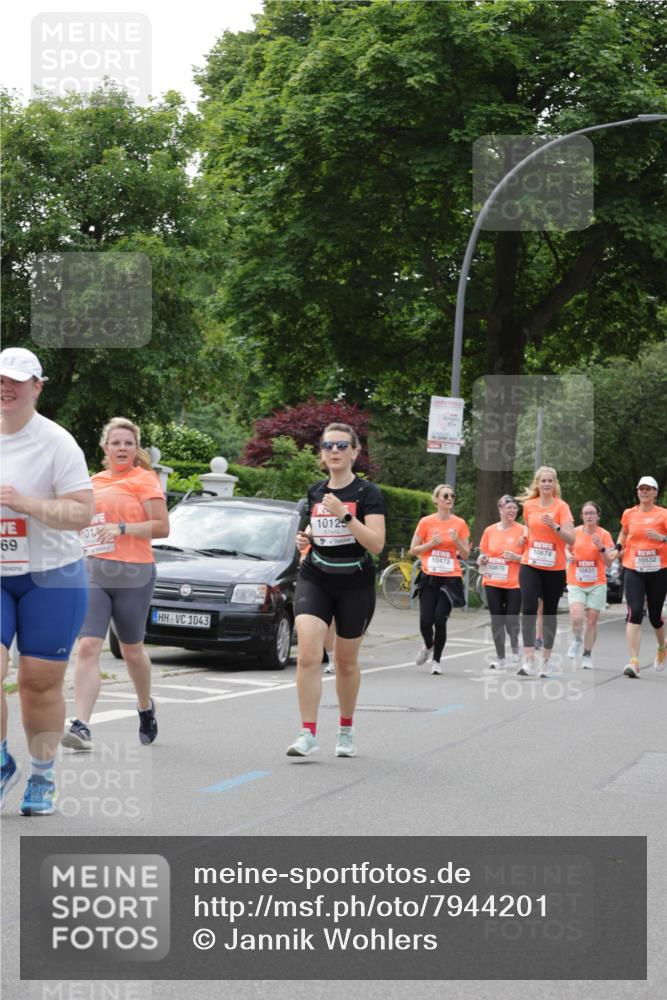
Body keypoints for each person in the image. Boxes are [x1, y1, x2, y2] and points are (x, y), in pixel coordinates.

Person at [0, 348, 94, 816]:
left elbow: (81, 513)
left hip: (51, 577)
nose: (6, 388)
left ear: (37, 386)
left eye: (17, 380)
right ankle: (0, 762)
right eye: (0, 379)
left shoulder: (57, 443)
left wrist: (27, 504)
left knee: (38, 683)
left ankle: (42, 776)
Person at [62, 417, 169, 750]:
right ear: (105, 447)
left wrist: (123, 529)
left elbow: (162, 527)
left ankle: (144, 706)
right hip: (94, 571)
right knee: (89, 646)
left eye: (129, 443)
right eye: (116, 443)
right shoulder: (92, 482)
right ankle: (81, 725)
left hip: (135, 574)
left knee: (131, 651)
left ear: (135, 449)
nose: (122, 448)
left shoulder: (144, 479)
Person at [287, 423, 385, 758]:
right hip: (316, 576)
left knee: (345, 662)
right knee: (309, 654)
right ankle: (307, 732)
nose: (335, 451)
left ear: (355, 452)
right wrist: (306, 538)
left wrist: (345, 516)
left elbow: (375, 543)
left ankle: (345, 730)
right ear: (322, 453)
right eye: (328, 445)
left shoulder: (367, 494)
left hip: (354, 581)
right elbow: (315, 527)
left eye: (342, 446)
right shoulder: (315, 491)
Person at [516, 466, 575, 677]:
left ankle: (547, 659)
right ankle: (529, 658)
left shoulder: (562, 507)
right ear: (537, 483)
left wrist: (556, 527)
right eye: (543, 481)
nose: (547, 484)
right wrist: (524, 535)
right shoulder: (529, 505)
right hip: (530, 563)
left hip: (554, 567)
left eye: (550, 481)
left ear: (555, 484)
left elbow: (571, 538)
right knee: (529, 607)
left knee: (549, 612)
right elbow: (528, 526)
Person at [409, 484, 470, 675]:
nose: (449, 498)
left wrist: (457, 541)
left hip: (450, 578)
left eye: (452, 495)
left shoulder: (460, 524)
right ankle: (428, 645)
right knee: (426, 621)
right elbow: (413, 549)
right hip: (429, 576)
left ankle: (436, 660)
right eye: (445, 496)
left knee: (439, 619)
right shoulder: (426, 522)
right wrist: (431, 544)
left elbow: (466, 554)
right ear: (436, 499)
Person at [616, 476, 667, 678]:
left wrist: (661, 537)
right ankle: (634, 662)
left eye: (648, 489)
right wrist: (617, 547)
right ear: (637, 492)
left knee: (655, 616)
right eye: (641, 489)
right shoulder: (629, 513)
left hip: (659, 570)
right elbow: (623, 533)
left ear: (655, 492)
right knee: (635, 612)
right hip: (634, 568)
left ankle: (661, 647)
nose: (644, 492)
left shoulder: (663, 514)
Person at [565, 502, 615, 669]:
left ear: (598, 515)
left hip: (597, 583)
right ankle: (577, 640)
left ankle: (587, 654)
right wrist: (568, 555)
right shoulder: (575, 532)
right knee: (577, 616)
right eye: (585, 513)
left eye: (592, 513)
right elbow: (565, 548)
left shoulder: (605, 535)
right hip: (576, 581)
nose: (589, 516)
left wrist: (600, 547)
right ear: (581, 516)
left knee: (592, 621)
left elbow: (608, 563)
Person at [477, 495, 525, 669]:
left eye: (514, 508)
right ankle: (500, 657)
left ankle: (514, 646)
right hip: (492, 580)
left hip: (514, 582)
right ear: (500, 509)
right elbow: (484, 553)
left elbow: (530, 556)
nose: (512, 511)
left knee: (511, 619)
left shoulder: (523, 530)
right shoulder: (490, 530)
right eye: (508, 508)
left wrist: (516, 557)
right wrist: (482, 559)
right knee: (496, 618)